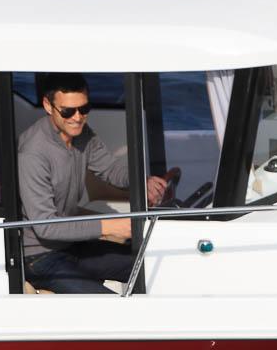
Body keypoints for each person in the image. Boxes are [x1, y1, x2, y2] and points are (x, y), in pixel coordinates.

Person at [17, 74, 168, 294]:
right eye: (68, 111)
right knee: (109, 305)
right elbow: (46, 226)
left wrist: (142, 182)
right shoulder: (33, 153)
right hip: (39, 257)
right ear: (48, 106)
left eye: (84, 109)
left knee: (153, 264)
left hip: (73, 246)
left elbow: (111, 169)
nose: (78, 117)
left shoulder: (82, 134)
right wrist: (110, 227)